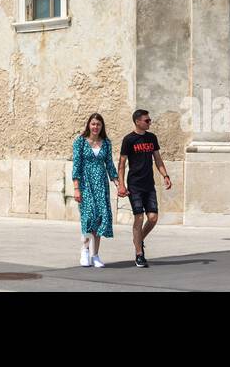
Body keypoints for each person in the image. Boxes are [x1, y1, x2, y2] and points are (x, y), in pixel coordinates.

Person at [116, 109, 171, 269]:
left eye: (149, 120)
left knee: (153, 218)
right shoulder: (129, 140)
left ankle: (138, 240)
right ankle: (139, 254)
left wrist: (165, 175)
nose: (149, 122)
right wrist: (121, 184)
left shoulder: (152, 138)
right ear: (137, 121)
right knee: (139, 217)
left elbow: (158, 159)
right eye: (147, 120)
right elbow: (122, 164)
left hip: (149, 184)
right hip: (134, 185)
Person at [71, 112, 118, 268]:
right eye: (93, 124)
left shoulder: (106, 143)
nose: (95, 127)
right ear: (89, 125)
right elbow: (76, 166)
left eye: (98, 124)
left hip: (101, 185)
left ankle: (95, 255)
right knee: (89, 217)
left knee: (100, 218)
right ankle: (84, 251)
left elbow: (109, 164)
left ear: (101, 126)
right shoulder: (80, 142)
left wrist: (118, 183)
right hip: (86, 184)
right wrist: (76, 188)